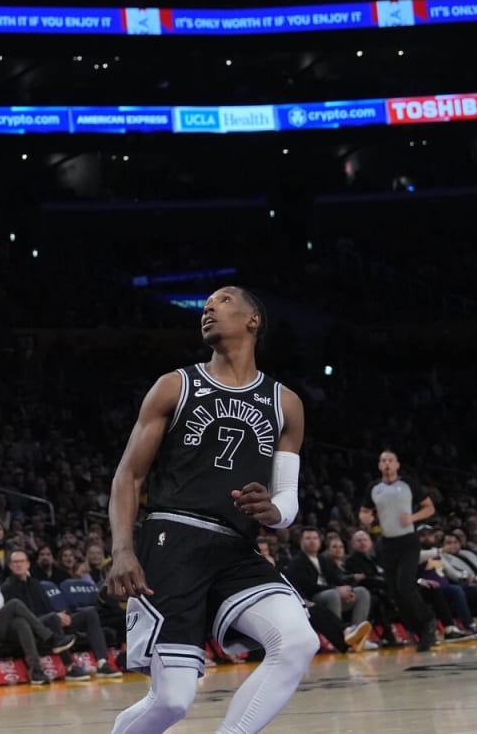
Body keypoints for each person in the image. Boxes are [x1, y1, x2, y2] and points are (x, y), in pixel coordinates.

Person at [108, 287, 316, 734]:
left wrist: (272, 512)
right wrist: (122, 549)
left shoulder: (286, 403)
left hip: (236, 549)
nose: (207, 309)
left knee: (298, 640)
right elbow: (129, 476)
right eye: (204, 305)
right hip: (171, 541)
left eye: (221, 301)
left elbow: (287, 502)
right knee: (171, 702)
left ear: (253, 319)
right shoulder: (176, 385)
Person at [0, 554, 74, 685]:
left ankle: (36, 671)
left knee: (21, 623)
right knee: (15, 603)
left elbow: (0, 605)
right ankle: (50, 637)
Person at [0, 550, 119, 678]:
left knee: (89, 612)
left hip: (50, 620)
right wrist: (55, 616)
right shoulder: (6, 587)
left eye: (21, 561)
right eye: (15, 562)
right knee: (53, 618)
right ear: (10, 566)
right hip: (32, 627)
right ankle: (70, 667)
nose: (18, 565)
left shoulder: (36, 584)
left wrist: (62, 615)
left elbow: (48, 608)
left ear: (28, 564)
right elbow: (19, 617)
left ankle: (102, 663)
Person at [371, 450, 439, 650]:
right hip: (387, 543)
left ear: (397, 464)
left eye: (390, 460)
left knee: (405, 585)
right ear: (379, 465)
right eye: (383, 460)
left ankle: (428, 621)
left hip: (408, 541)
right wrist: (365, 517)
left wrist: (412, 518)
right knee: (394, 592)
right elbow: (364, 511)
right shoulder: (374, 488)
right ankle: (418, 630)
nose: (387, 464)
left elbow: (429, 508)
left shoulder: (408, 484)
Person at [284, 527, 374, 648]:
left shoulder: (324, 560)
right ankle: (338, 638)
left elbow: (337, 579)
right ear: (301, 541)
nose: (312, 541)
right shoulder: (296, 562)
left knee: (362, 592)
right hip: (314, 600)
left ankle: (356, 636)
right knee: (332, 594)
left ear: (320, 541)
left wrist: (348, 590)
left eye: (315, 538)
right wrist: (336, 590)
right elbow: (309, 588)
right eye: (308, 538)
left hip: (332, 595)